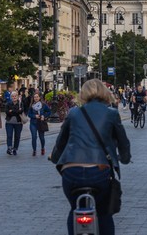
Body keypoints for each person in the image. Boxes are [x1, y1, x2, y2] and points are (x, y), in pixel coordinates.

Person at [50, 79, 131, 235]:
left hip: (71, 172)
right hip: (99, 172)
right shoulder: (112, 113)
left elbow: (60, 142)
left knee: (74, 208)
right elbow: (123, 142)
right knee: (104, 213)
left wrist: (54, 158)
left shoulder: (74, 113)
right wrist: (125, 158)